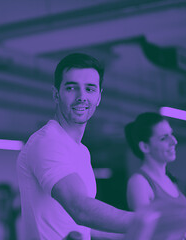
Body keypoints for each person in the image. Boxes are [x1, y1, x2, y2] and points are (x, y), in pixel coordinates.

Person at [16, 53, 133, 240]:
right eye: (72, 88)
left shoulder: (81, 151)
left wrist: (139, 235)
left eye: (90, 89)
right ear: (56, 94)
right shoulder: (47, 142)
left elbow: (83, 225)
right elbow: (80, 209)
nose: (82, 97)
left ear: (99, 97)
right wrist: (151, 221)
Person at [125, 112, 186, 211]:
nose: (174, 141)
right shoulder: (139, 182)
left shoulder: (170, 179)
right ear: (145, 147)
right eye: (163, 138)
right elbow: (144, 225)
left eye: (171, 134)